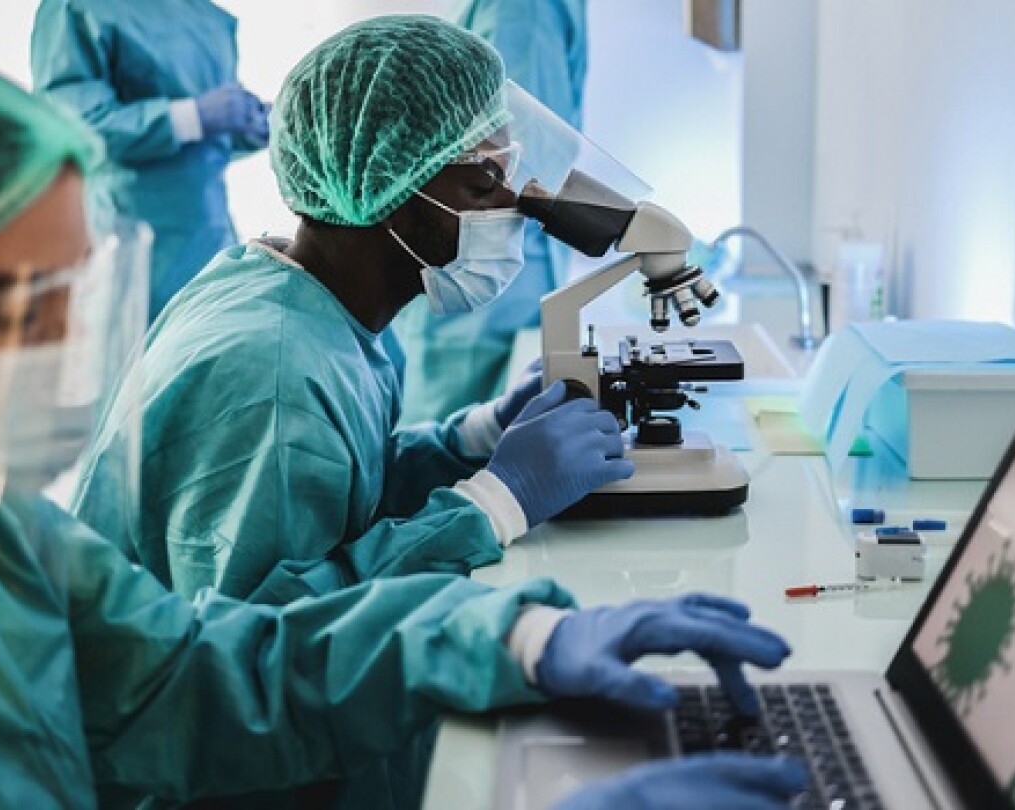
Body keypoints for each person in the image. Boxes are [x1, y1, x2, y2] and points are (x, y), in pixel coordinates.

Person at [0, 41, 807, 809]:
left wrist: (519, 637)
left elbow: (207, 669)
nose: (57, 355)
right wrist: (486, 506)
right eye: (11, 312)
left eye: (69, 299)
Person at [73, 15, 630, 611]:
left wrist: (476, 436)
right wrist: (495, 504)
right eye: (482, 184)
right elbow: (273, 635)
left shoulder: (305, 298)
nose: (514, 204)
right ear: (385, 185)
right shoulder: (274, 374)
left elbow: (339, 489)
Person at [392, 0, 588, 426]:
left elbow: (519, 155)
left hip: (494, 273)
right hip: (480, 280)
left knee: (470, 440)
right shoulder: (522, 8)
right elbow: (512, 163)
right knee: (448, 460)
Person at [31, 0, 269, 321]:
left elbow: (205, 144)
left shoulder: (205, 15)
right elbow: (73, 128)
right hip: (128, 244)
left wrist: (247, 127)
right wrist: (191, 115)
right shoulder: (77, 9)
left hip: (209, 239)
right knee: (127, 360)